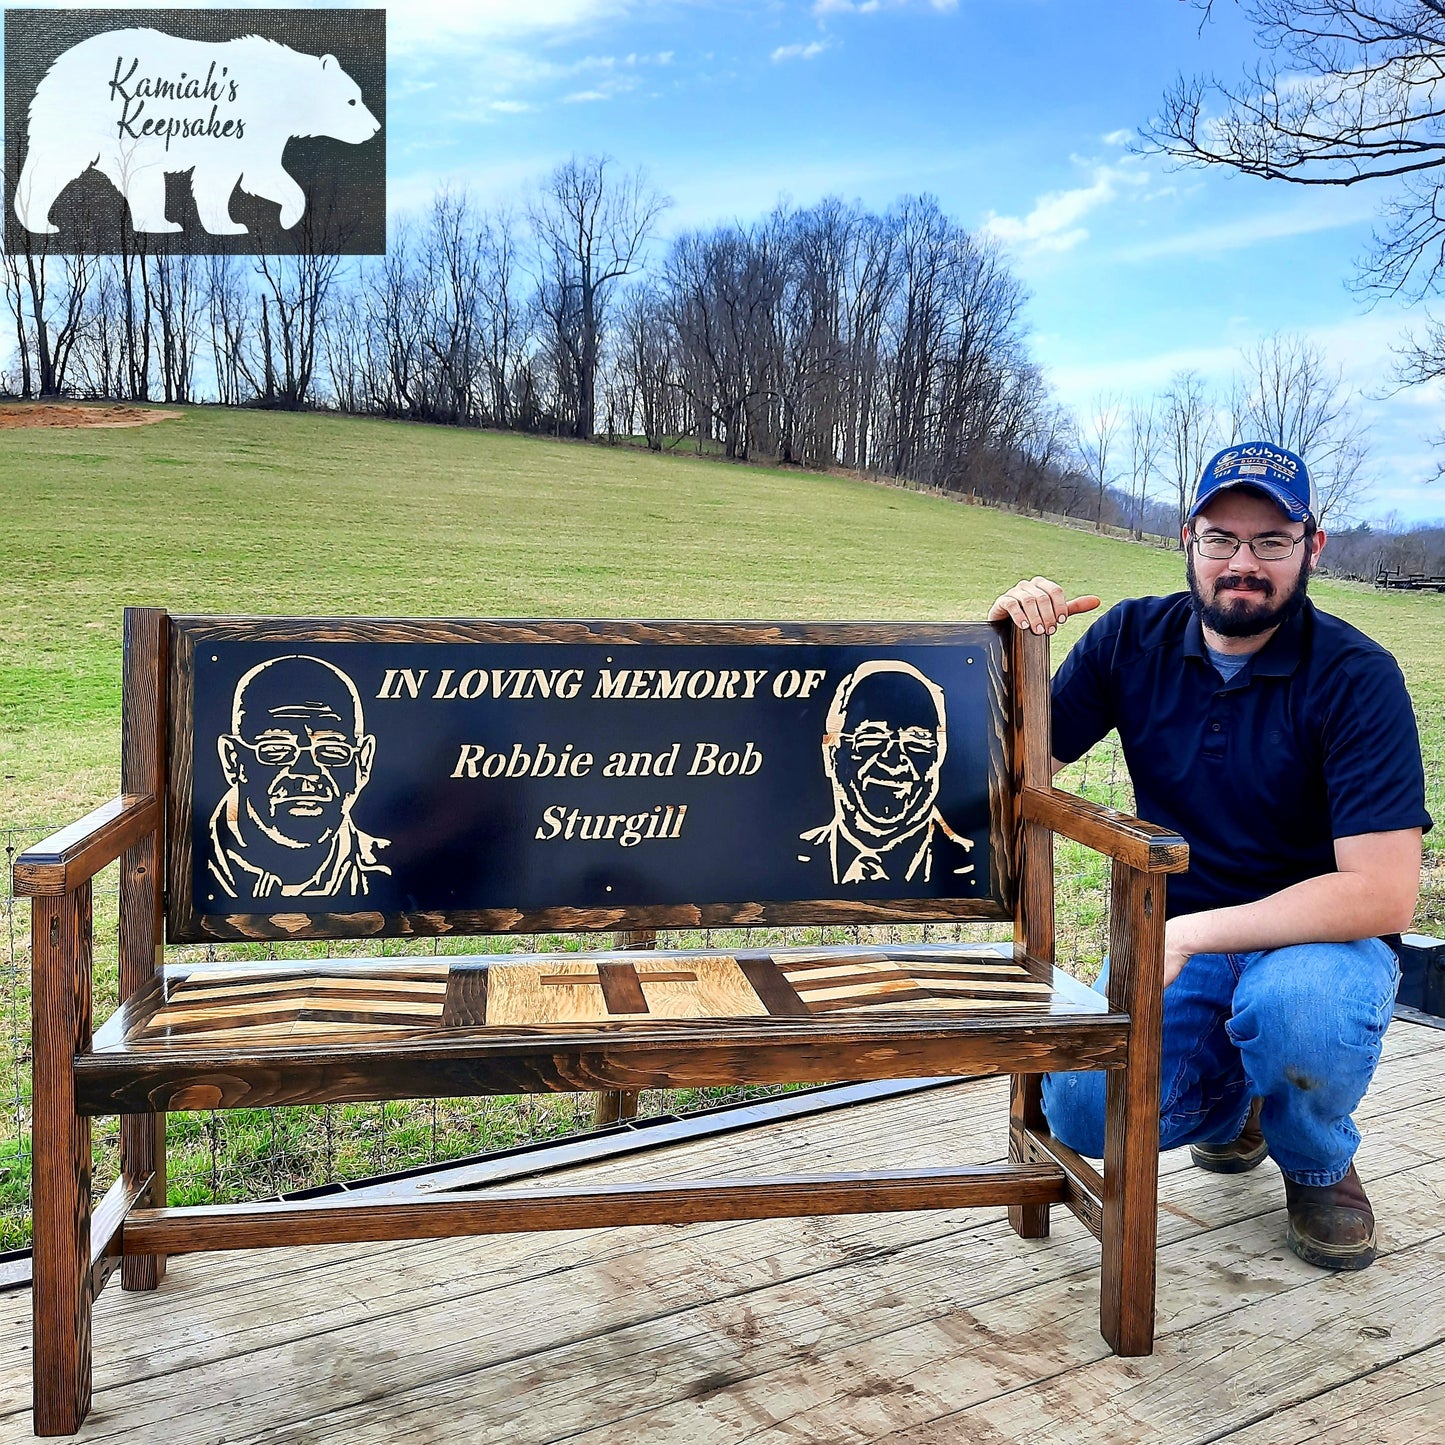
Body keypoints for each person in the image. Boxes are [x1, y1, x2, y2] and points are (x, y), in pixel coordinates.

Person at [989, 441, 1430, 1271]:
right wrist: (1005, 647)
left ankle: (1315, 1158)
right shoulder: (1130, 640)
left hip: (1316, 944)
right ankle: (1240, 1109)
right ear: (1185, 537)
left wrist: (1188, 935)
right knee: (1080, 1108)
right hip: (1180, 941)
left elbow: (1383, 892)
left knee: (1301, 1010)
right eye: (1221, 538)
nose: (1242, 563)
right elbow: (1015, 773)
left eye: (1270, 541)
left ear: (1312, 545)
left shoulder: (1357, 675)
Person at [208, 653, 392, 900]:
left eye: (332, 751)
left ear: (363, 761)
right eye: (276, 749)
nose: (307, 771)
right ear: (233, 759)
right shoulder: (189, 867)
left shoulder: (388, 872)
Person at [798, 659, 975, 885]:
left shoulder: (973, 870)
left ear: (939, 754)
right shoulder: (787, 862)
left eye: (917, 741)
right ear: (832, 755)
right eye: (871, 738)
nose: (894, 761)